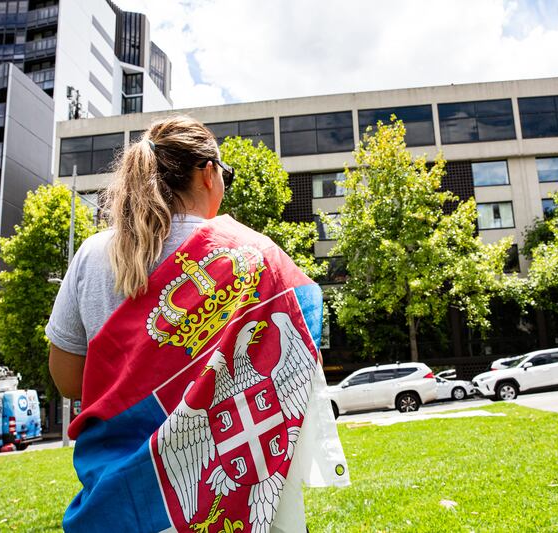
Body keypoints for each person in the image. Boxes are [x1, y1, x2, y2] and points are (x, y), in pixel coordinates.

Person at [47, 116, 348, 533]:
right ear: (208, 173)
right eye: (225, 174)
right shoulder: (257, 256)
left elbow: (66, 379)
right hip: (237, 493)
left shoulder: (92, 254)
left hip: (122, 500)